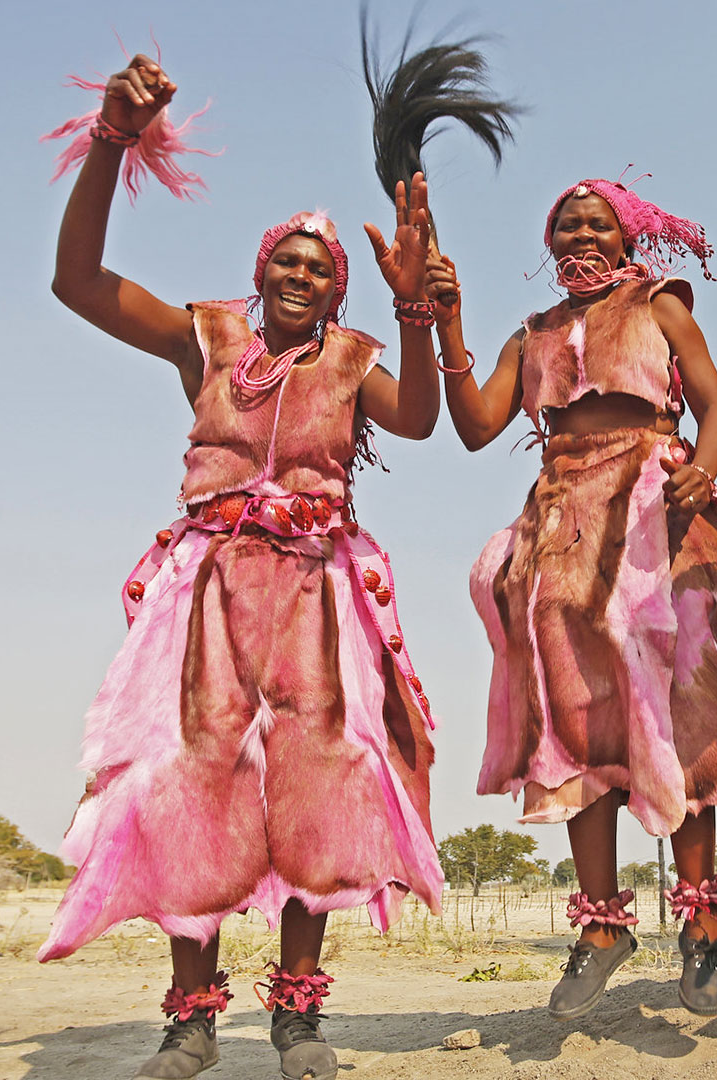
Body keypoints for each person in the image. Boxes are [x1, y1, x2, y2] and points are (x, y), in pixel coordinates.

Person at [38, 55, 447, 1080]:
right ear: (259, 272)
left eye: (320, 266)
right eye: (286, 260)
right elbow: (76, 283)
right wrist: (110, 143)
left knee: (316, 784)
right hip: (212, 589)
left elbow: (427, 421)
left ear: (337, 288)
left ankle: (299, 1016)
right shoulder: (207, 343)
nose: (301, 273)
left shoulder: (354, 364)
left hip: (316, 588)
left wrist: (414, 315)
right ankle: (191, 1015)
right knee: (196, 783)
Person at [426, 177, 717, 1019]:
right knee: (575, 712)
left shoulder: (661, 307)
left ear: (626, 236)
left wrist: (703, 469)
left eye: (597, 222)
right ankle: (603, 927)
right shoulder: (532, 334)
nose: (582, 233)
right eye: (567, 224)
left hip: (660, 505)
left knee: (684, 704)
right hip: (565, 519)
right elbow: (475, 426)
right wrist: (450, 323)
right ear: (550, 244)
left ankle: (702, 921)